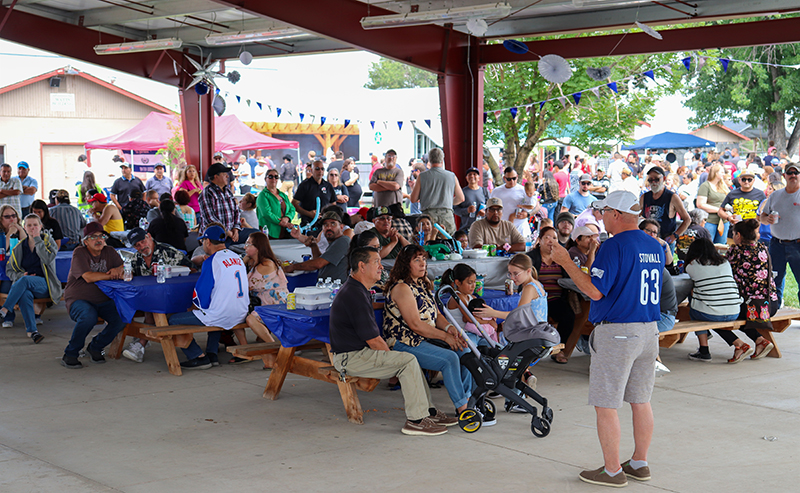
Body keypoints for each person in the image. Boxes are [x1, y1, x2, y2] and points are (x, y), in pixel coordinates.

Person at [549, 190, 663, 487]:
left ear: (616, 214)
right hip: (648, 328)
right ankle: (639, 462)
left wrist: (565, 260)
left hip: (618, 331)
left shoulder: (614, 246)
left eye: (603, 212)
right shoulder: (655, 245)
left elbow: (595, 290)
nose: (599, 218)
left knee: (606, 402)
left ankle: (612, 470)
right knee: (641, 400)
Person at [330, 246, 456, 435]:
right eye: (376, 262)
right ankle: (416, 420)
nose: (381, 267)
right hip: (350, 358)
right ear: (362, 266)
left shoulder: (358, 289)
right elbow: (374, 341)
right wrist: (393, 360)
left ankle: (427, 412)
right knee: (406, 361)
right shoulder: (354, 294)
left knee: (407, 360)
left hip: (357, 353)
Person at [383, 244, 473, 413]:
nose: (423, 263)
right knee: (450, 358)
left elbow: (436, 315)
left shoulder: (423, 284)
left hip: (424, 338)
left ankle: (467, 398)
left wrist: (449, 328)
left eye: (423, 259)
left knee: (465, 350)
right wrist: (444, 337)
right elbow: (415, 325)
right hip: (404, 342)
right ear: (405, 264)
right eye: (417, 260)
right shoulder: (402, 288)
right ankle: (463, 409)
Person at [165, 224, 248, 369]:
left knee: (173, 320)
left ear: (208, 242)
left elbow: (202, 295)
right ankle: (212, 353)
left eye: (203, 241)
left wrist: (191, 309)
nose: (203, 244)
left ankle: (197, 356)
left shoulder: (211, 261)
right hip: (241, 312)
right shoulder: (238, 257)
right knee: (213, 312)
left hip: (223, 315)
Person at [120, 227, 194, 363]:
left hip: (175, 297)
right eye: (137, 245)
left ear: (149, 236)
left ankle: (140, 343)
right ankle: (141, 342)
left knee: (152, 309)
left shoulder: (168, 251)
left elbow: (192, 269)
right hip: (151, 298)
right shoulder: (136, 259)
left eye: (143, 241)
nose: (142, 246)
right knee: (131, 307)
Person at [60, 222, 126, 369]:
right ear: (85, 241)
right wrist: (111, 275)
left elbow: (124, 268)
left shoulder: (109, 251)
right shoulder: (80, 252)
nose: (99, 240)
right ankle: (70, 353)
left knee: (122, 317)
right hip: (78, 299)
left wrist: (119, 268)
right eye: (93, 237)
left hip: (104, 300)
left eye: (101, 236)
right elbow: (89, 277)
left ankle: (95, 346)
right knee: (88, 317)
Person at [722, 219, 779, 361]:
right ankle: (760, 341)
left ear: (738, 236)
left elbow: (722, 269)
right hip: (770, 304)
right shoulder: (763, 248)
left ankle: (742, 344)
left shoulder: (736, 251)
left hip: (752, 307)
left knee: (721, 315)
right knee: (735, 313)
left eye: (734, 234)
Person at [0, 213, 61, 343]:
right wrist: (21, 275)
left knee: (25, 281)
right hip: (26, 284)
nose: (32, 228)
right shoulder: (19, 246)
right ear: (24, 228)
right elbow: (10, 270)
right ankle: (32, 332)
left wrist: (37, 239)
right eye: (29, 225)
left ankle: (4, 310)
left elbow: (47, 258)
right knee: (24, 293)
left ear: (40, 226)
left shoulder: (48, 241)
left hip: (45, 285)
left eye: (35, 225)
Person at [684, 237, 744, 362]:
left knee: (695, 305)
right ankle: (737, 343)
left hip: (711, 313)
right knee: (710, 307)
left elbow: (685, 278)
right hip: (734, 310)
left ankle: (704, 350)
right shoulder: (725, 262)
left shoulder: (693, 265)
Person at [525, 226, 575, 364]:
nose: (551, 241)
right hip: (537, 300)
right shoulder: (531, 257)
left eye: (554, 238)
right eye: (547, 237)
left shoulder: (560, 258)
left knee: (569, 316)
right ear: (539, 240)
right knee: (535, 321)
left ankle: (558, 349)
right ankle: (532, 352)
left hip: (556, 299)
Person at [240, 232, 287, 363]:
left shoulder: (265, 265)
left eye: (249, 244)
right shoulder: (258, 263)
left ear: (258, 247)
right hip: (267, 301)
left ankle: (275, 348)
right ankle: (269, 353)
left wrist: (242, 262)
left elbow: (246, 285)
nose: (245, 247)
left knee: (251, 320)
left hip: (275, 303)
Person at [759, 161, 800, 306]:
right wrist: (767, 218)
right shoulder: (775, 195)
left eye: (796, 173)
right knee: (773, 282)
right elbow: (762, 217)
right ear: (784, 176)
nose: (793, 175)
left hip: (798, 244)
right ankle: (773, 314)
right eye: (790, 173)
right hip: (777, 244)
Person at [284, 211, 351, 283]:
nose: (329, 227)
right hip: (327, 286)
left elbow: (318, 264)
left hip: (335, 288)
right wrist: (314, 246)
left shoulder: (343, 241)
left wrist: (293, 267)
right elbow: (320, 261)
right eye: (325, 225)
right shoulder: (334, 242)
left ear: (341, 227)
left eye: (333, 224)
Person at [410, 148, 464, 235]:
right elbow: (461, 198)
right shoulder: (451, 176)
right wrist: (448, 201)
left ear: (429, 160)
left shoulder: (422, 176)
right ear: (442, 160)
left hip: (428, 216)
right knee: (448, 245)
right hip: (446, 215)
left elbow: (413, 199)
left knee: (429, 245)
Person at [442, 263, 499, 344]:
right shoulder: (457, 297)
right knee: (470, 353)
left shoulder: (472, 297)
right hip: (462, 335)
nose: (473, 286)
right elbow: (469, 318)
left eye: (474, 282)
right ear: (458, 283)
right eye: (470, 283)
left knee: (495, 347)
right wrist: (488, 322)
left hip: (475, 333)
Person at [640, 166, 690, 243]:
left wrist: (675, 235)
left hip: (665, 240)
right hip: (647, 240)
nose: (653, 182)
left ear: (663, 179)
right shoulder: (644, 197)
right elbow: (638, 217)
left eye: (657, 179)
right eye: (650, 180)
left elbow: (687, 219)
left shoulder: (672, 197)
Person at [198, 162, 244, 244]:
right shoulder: (207, 193)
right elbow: (210, 218)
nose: (227, 176)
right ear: (216, 177)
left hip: (231, 233)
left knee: (256, 235)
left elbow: (236, 211)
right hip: (215, 236)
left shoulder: (228, 191)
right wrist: (227, 231)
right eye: (224, 174)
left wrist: (236, 229)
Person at [293, 158, 336, 227]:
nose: (320, 171)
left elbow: (333, 203)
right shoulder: (304, 185)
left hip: (325, 224)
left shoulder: (328, 186)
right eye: (317, 169)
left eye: (322, 169)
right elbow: (294, 204)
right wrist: (309, 213)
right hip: (308, 223)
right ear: (311, 171)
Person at [696, 163, 730, 245]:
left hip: (723, 221)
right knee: (708, 245)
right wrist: (719, 210)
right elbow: (700, 204)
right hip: (710, 221)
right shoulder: (705, 186)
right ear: (715, 173)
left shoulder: (723, 186)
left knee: (721, 246)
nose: (723, 174)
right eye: (721, 172)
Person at [492, 167, 531, 237]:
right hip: (503, 229)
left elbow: (536, 205)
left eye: (514, 178)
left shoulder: (524, 190)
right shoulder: (496, 191)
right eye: (509, 179)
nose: (512, 181)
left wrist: (528, 214)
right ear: (504, 178)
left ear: (517, 177)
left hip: (521, 229)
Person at [256, 169, 295, 240]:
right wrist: (283, 223)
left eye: (276, 177)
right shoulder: (262, 196)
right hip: (270, 232)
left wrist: (287, 218)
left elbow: (292, 209)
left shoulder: (283, 195)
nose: (273, 179)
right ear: (265, 179)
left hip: (285, 231)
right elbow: (266, 213)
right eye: (270, 176)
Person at [454, 167, 488, 232]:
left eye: (474, 174)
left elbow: (491, 207)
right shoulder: (462, 192)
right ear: (466, 178)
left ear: (479, 178)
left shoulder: (484, 191)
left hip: (483, 228)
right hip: (467, 229)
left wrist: (485, 212)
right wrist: (467, 210)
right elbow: (455, 209)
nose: (472, 176)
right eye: (469, 174)